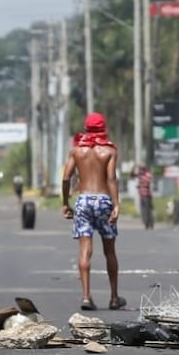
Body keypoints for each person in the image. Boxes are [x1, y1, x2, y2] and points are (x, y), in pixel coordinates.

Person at [61, 112, 125, 311]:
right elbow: (111, 179)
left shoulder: (76, 151)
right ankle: (114, 297)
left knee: (85, 250)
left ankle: (86, 296)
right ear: (103, 127)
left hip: (84, 201)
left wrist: (65, 202)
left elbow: (66, 178)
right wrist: (116, 204)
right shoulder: (109, 151)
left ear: (87, 127)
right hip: (104, 200)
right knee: (109, 251)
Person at [136, 164, 154, 230]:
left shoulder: (146, 175)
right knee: (145, 210)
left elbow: (147, 182)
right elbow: (133, 175)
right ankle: (147, 223)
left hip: (146, 194)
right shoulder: (142, 175)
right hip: (143, 194)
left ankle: (149, 223)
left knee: (147, 210)